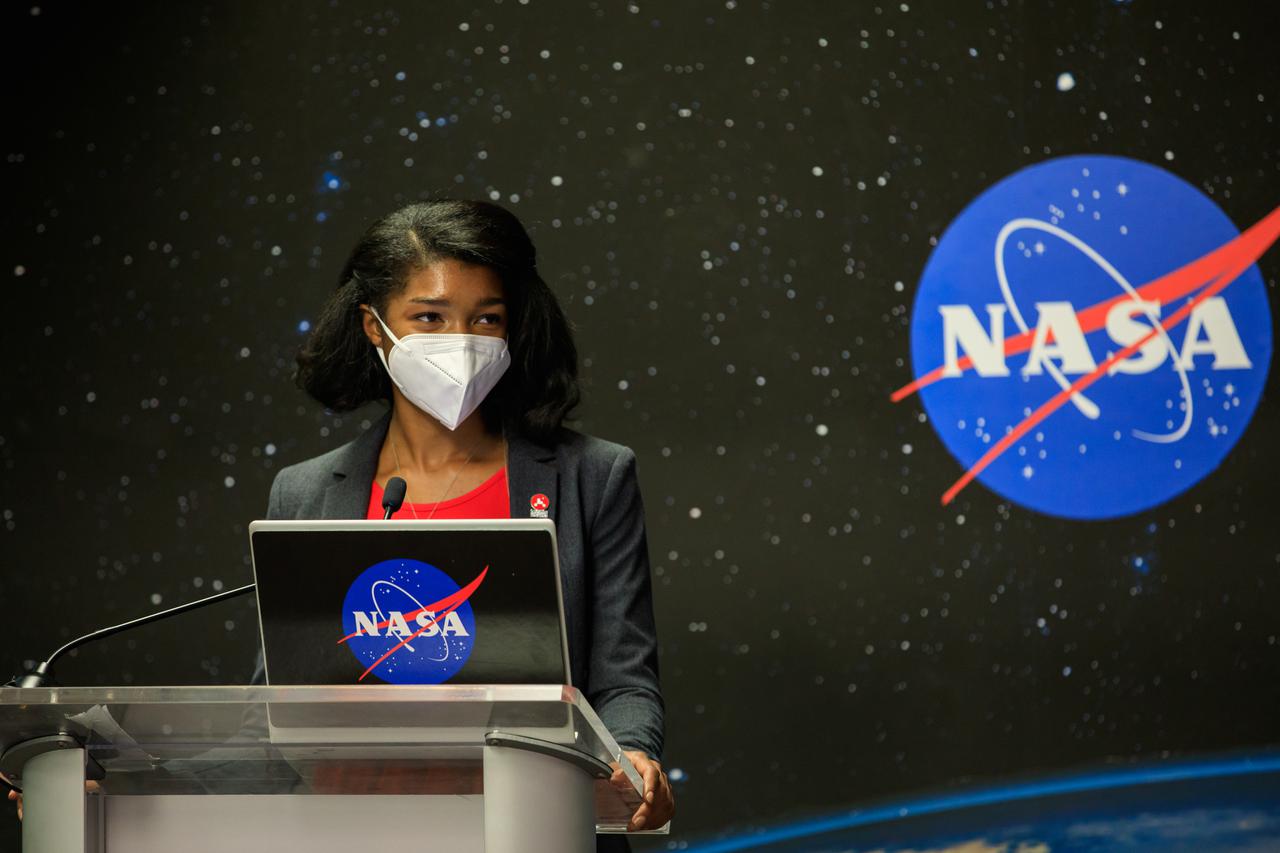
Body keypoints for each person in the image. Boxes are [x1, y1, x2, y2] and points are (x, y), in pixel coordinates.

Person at [265, 199, 674, 841]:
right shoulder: (303, 493)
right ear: (374, 326)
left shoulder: (593, 476)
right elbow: (270, 706)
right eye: (429, 317)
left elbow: (623, 678)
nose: (461, 340)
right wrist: (131, 774)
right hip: (350, 830)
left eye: (487, 319)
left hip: (529, 827)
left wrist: (634, 755)